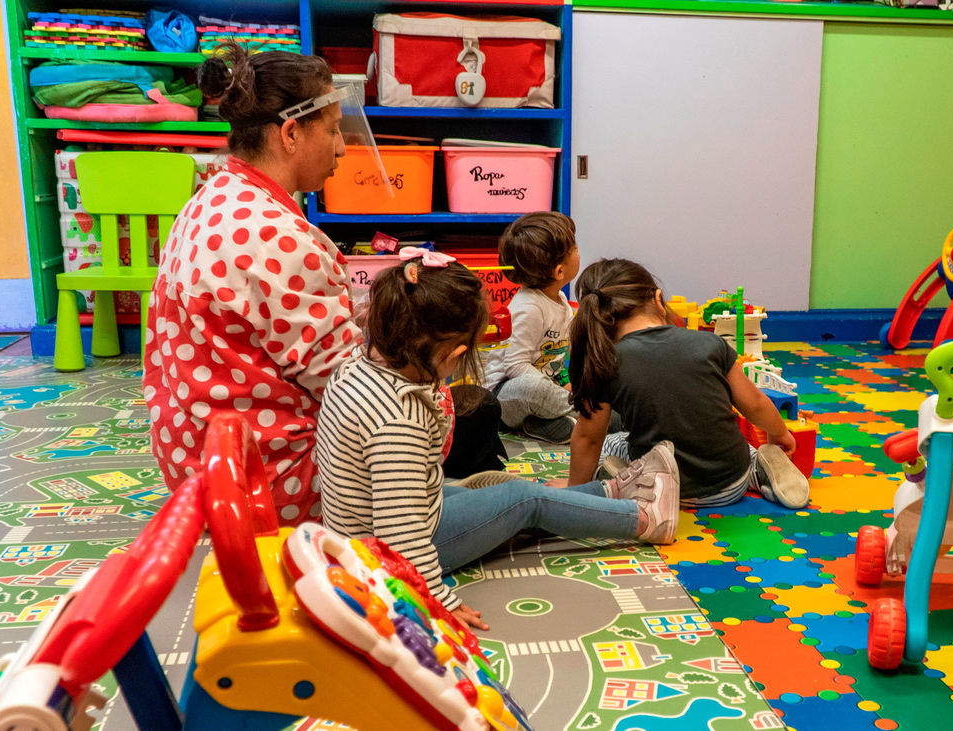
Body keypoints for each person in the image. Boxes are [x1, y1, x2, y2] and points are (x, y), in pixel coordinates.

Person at [316, 255, 681, 630]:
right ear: (453, 355)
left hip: (375, 528)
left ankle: (606, 493)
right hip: (385, 555)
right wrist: (435, 599)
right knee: (523, 500)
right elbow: (402, 535)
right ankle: (641, 518)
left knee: (511, 498)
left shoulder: (358, 365)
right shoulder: (397, 418)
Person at [144, 44, 360, 525]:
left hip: (201, 474)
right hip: (273, 488)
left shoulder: (210, 199)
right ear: (290, 133)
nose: (342, 147)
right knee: (457, 418)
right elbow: (355, 390)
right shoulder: (280, 238)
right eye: (332, 130)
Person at [567, 258, 811, 511]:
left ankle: (625, 480)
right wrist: (780, 433)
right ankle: (760, 471)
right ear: (658, 299)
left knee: (611, 442)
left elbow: (588, 438)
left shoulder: (605, 363)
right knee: (745, 449)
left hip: (666, 492)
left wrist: (574, 491)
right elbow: (757, 404)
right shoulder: (709, 344)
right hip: (732, 482)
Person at [482, 212, 581, 443]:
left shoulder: (561, 302)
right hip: (504, 396)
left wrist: (566, 384)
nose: (578, 250)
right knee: (533, 388)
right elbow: (515, 366)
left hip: (545, 392)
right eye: (574, 248)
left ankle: (542, 424)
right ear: (559, 272)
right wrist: (562, 393)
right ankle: (594, 417)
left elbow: (557, 357)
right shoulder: (529, 307)